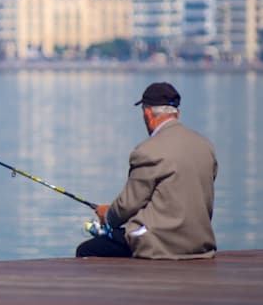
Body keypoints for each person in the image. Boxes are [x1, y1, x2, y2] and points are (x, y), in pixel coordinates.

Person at [76, 82, 217, 259]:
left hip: (158, 243)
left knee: (86, 250)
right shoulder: (205, 146)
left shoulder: (148, 151)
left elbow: (128, 205)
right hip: (199, 244)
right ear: (177, 113)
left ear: (148, 113)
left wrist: (108, 215)